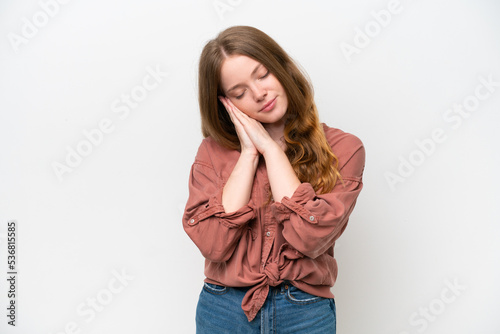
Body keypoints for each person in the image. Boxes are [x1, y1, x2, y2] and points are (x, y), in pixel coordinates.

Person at [183, 25, 365, 333]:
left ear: (282, 69)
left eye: (263, 74)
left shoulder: (344, 148)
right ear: (226, 104)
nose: (258, 94)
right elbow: (213, 245)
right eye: (239, 93)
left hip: (306, 311)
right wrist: (249, 155)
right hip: (223, 309)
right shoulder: (213, 153)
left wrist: (269, 147)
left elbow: (308, 237)